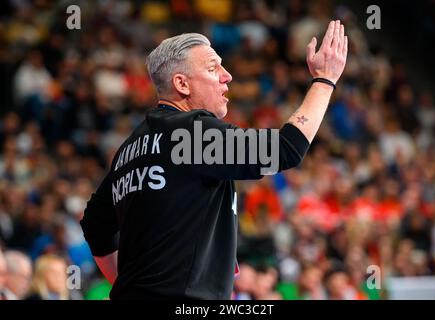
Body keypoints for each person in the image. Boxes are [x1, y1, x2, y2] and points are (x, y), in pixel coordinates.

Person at [80, 20, 348, 300]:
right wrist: (324, 81)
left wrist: (128, 288)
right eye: (212, 68)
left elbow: (95, 225)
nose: (227, 75)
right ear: (182, 84)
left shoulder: (129, 149)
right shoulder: (190, 132)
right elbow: (285, 149)